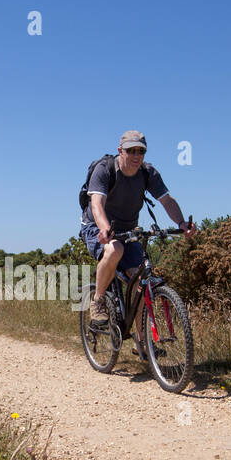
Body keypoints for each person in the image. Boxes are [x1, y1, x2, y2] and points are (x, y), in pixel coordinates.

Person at [80, 130, 194, 338]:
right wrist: (105, 229)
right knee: (115, 249)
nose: (136, 155)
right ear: (120, 151)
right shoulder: (105, 169)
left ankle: (141, 342)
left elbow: (167, 201)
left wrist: (181, 223)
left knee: (140, 280)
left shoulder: (147, 173)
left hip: (128, 230)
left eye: (140, 151)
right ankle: (98, 301)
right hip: (97, 226)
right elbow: (97, 203)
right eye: (130, 150)